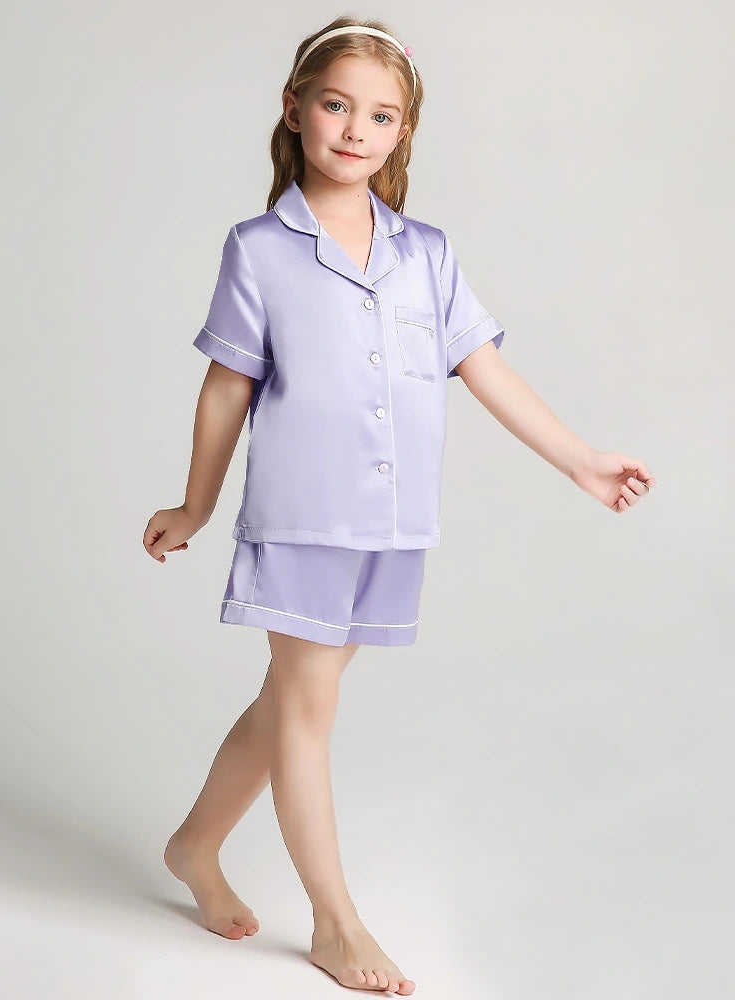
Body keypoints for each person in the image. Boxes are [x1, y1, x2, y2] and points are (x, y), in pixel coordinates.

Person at [143, 16, 657, 995]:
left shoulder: (426, 252)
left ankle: (194, 844)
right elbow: (225, 385)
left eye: (380, 115)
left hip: (393, 520)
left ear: (403, 131)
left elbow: (484, 367)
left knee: (290, 699)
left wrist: (581, 462)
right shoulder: (260, 248)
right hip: (302, 515)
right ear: (295, 109)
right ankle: (335, 924)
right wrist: (195, 504)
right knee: (307, 709)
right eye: (336, 105)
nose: (355, 130)